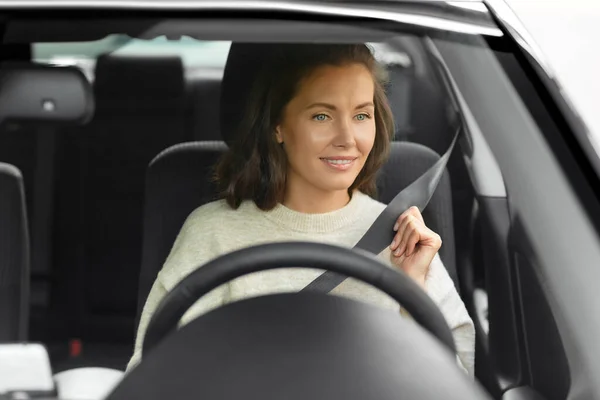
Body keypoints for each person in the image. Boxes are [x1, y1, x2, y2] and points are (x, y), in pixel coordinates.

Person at [127, 43, 475, 375]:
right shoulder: (212, 233)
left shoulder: (403, 237)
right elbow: (153, 375)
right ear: (278, 126)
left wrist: (411, 286)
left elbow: (454, 385)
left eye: (361, 115)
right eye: (322, 116)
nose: (347, 138)